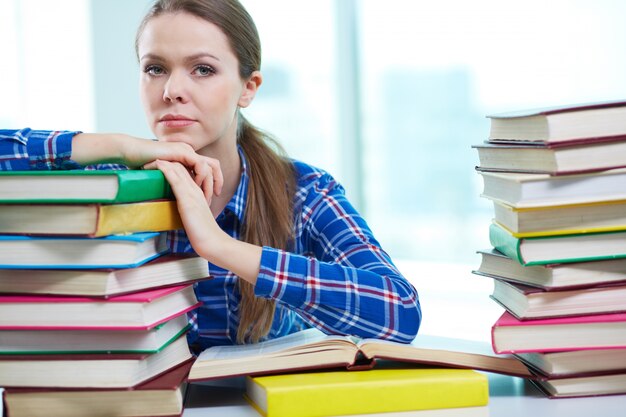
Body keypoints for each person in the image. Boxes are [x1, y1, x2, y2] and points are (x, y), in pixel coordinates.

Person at [0, 0, 421, 350]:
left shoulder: (304, 193)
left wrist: (219, 246)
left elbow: (400, 312)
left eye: (202, 69)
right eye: (155, 68)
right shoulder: (107, 186)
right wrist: (115, 145)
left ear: (248, 88)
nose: (171, 90)